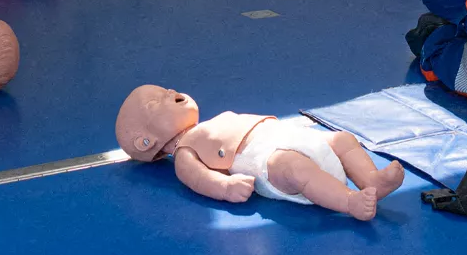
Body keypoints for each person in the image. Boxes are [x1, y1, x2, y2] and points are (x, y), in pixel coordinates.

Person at [116, 85, 406, 220]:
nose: (170, 92)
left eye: (165, 89)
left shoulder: (208, 125)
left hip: (288, 137)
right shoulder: (185, 153)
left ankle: (372, 180)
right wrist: (226, 186)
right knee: (296, 169)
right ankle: (350, 202)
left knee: (342, 139)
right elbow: (197, 177)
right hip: (263, 161)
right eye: (156, 103)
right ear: (146, 142)